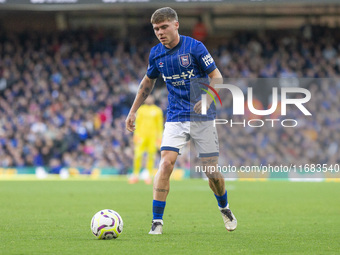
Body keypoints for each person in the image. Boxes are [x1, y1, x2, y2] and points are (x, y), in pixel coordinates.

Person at [125, 7, 237, 235]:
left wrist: (207, 98)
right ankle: (157, 221)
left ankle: (224, 206)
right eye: (156, 29)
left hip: (201, 115)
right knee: (166, 163)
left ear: (176, 25)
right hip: (176, 115)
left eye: (164, 27)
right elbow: (147, 83)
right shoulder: (156, 53)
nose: (160, 32)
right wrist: (133, 110)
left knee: (211, 171)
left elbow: (217, 77)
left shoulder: (195, 47)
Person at [129, 95, 163, 184]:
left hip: (153, 137)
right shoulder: (140, 110)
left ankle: (148, 175)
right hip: (141, 136)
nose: (149, 99)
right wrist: (136, 135)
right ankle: (135, 174)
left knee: (151, 156)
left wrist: (159, 137)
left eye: (151, 97)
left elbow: (159, 125)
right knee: (138, 155)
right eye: (148, 97)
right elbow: (138, 123)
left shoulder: (157, 110)